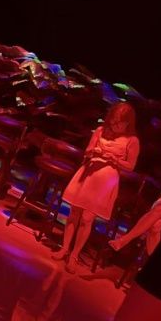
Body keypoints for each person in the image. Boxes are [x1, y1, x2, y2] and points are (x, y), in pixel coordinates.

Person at [52, 102, 139, 270]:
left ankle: (75, 255)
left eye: (119, 123)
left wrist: (115, 160)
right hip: (88, 174)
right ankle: (64, 248)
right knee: (74, 213)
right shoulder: (100, 130)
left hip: (106, 180)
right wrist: (93, 152)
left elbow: (131, 166)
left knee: (87, 218)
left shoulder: (132, 140)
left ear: (127, 123)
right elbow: (88, 150)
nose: (114, 125)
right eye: (113, 121)